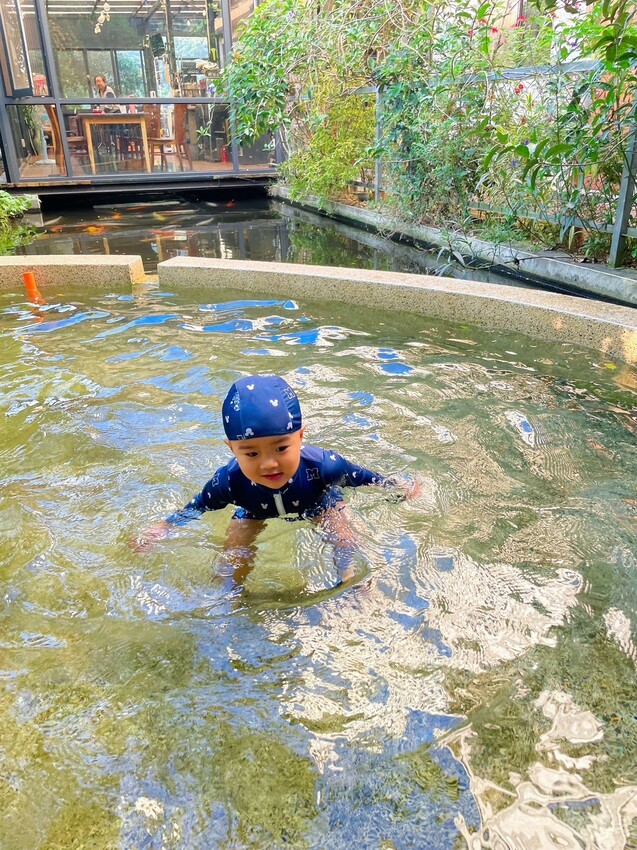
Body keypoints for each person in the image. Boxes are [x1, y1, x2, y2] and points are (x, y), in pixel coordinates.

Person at [135, 375, 419, 589]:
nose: (269, 463)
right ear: (232, 449)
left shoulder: (322, 466)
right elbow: (198, 505)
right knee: (233, 553)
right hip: (254, 508)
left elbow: (364, 477)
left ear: (300, 437)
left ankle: (354, 589)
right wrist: (165, 528)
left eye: (281, 448)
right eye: (251, 453)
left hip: (318, 502)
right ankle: (227, 597)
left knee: (345, 540)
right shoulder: (229, 481)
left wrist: (397, 488)